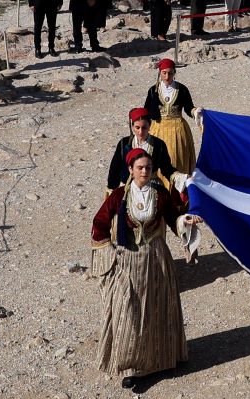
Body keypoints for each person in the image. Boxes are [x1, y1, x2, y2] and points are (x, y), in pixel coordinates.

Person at [91, 149, 200, 392]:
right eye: (139, 168)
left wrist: (185, 221)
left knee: (158, 306)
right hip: (128, 260)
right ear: (130, 170)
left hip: (157, 258)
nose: (144, 172)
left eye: (148, 168)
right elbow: (99, 223)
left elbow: (174, 218)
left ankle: (163, 360)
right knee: (128, 310)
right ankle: (131, 367)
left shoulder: (159, 193)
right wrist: (109, 250)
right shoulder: (119, 196)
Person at [106, 108, 184, 192]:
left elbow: (166, 168)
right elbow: (115, 168)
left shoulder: (158, 144)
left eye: (144, 128)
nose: (140, 131)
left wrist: (180, 177)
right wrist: (112, 187)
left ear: (150, 126)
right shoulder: (124, 144)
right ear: (132, 126)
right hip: (128, 186)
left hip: (152, 186)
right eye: (137, 127)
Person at [143, 58, 198, 175]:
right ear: (160, 73)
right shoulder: (153, 90)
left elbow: (188, 108)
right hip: (158, 129)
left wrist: (195, 112)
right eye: (164, 73)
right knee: (157, 158)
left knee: (176, 158)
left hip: (177, 129)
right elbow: (146, 111)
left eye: (170, 73)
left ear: (174, 73)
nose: (167, 76)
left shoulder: (182, 89)